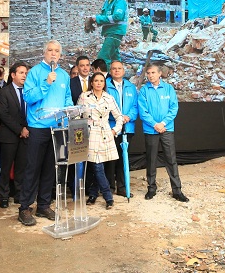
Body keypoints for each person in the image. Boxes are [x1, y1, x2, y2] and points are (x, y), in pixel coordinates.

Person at [18, 40, 72, 226]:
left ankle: (43, 204)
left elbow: (67, 100)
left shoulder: (64, 75)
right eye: (50, 50)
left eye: (57, 51)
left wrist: (69, 110)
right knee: (33, 168)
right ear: (44, 53)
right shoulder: (35, 72)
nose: (53, 53)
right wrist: (47, 83)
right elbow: (28, 97)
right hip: (38, 127)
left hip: (57, 128)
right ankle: (25, 207)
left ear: (61, 54)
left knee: (51, 168)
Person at [139, 64, 189, 202]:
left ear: (160, 73)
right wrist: (155, 124)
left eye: (153, 72)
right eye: (148, 73)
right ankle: (151, 188)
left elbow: (174, 108)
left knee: (171, 159)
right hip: (151, 129)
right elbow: (143, 112)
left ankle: (177, 190)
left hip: (166, 129)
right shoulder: (144, 90)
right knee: (151, 160)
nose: (150, 75)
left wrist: (163, 123)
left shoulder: (168, 89)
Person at [79, 72, 124, 209]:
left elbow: (119, 117)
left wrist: (114, 130)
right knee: (97, 166)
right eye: (96, 80)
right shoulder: (84, 97)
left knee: (98, 166)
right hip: (90, 134)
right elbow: (77, 114)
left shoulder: (109, 98)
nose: (99, 83)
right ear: (91, 83)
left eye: (101, 81)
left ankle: (93, 194)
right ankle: (108, 197)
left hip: (105, 135)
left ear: (104, 83)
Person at [0, 62, 29, 208]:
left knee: (21, 167)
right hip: (9, 136)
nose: (24, 76)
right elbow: (4, 115)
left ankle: (19, 194)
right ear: (13, 75)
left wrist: (26, 129)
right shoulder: (4, 92)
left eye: (26, 73)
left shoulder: (29, 91)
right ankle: (4, 196)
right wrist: (19, 129)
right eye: (21, 73)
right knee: (6, 167)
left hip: (26, 136)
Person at [106, 60, 138, 196]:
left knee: (123, 159)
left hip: (127, 127)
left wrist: (128, 117)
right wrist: (118, 117)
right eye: (114, 69)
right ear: (110, 71)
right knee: (110, 159)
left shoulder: (131, 87)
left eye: (119, 68)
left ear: (124, 71)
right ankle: (109, 188)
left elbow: (135, 107)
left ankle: (122, 187)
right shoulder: (105, 86)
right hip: (111, 128)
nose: (117, 71)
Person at [88, 0, 128, 68]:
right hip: (109, 32)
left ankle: (106, 80)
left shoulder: (119, 1)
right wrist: (95, 21)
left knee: (103, 58)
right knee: (114, 58)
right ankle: (117, 78)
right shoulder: (107, 2)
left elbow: (117, 17)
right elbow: (106, 17)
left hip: (115, 32)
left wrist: (97, 18)